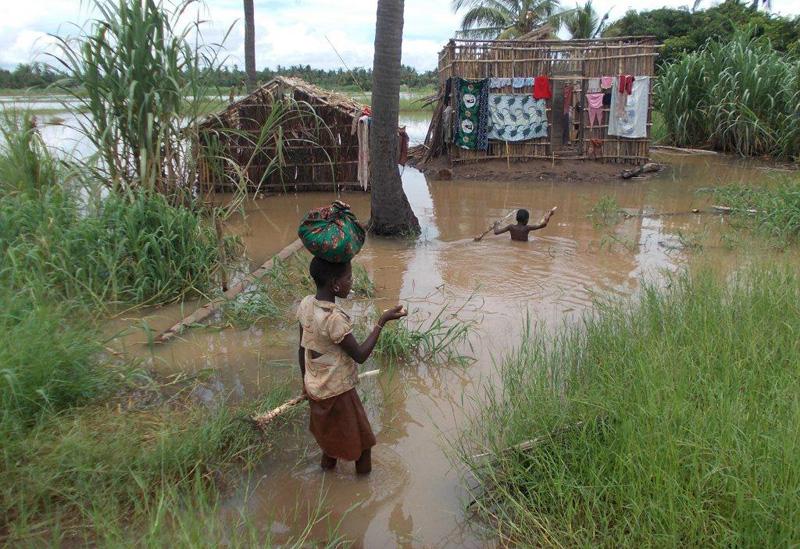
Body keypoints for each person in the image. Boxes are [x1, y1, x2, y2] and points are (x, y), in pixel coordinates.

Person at [297, 256, 407, 475]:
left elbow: (302, 349)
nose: (352, 281)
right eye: (348, 277)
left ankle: (326, 478)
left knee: (330, 439)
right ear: (335, 284)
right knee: (364, 445)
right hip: (338, 391)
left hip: (316, 385)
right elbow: (360, 355)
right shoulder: (333, 318)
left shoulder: (306, 304)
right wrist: (381, 322)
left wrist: (305, 383)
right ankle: (363, 492)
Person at [493, 207, 557, 242]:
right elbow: (543, 225)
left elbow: (496, 232)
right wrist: (549, 215)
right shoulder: (527, 228)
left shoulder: (511, 227)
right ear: (526, 220)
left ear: (516, 218)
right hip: (524, 246)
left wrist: (496, 224)